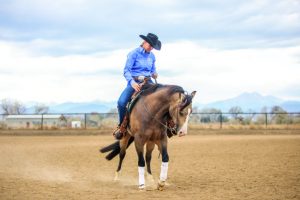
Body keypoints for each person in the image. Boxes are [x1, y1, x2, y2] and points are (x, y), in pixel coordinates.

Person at [113, 33, 162, 139]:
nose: (151, 47)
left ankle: (166, 126)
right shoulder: (133, 54)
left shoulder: (152, 56)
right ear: (144, 42)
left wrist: (154, 73)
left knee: (163, 97)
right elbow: (126, 71)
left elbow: (153, 70)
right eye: (150, 45)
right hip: (135, 82)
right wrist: (132, 83)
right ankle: (122, 126)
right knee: (121, 102)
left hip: (149, 82)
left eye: (153, 46)